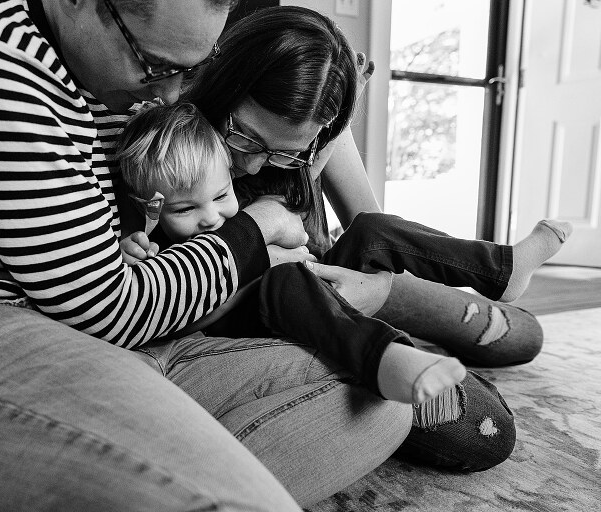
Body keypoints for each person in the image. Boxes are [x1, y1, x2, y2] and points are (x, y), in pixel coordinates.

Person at [0, 1, 417, 510]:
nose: (172, 94)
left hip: (146, 340)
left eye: (192, 69)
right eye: (159, 67)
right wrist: (252, 234)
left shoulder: (118, 76)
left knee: (380, 392)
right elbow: (102, 305)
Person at [115, 101, 571, 404]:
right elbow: (179, 314)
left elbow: (306, 236)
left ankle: (502, 268)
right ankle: (381, 359)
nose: (211, 218)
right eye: (186, 209)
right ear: (152, 207)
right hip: (260, 308)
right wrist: (140, 248)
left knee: (372, 229)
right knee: (286, 281)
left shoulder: (242, 187)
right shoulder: (160, 246)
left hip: (321, 275)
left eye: (220, 196)